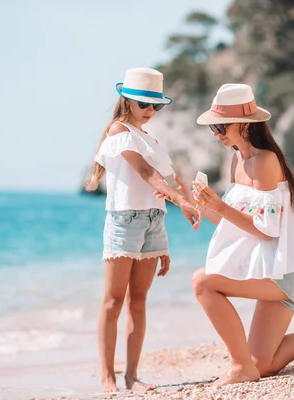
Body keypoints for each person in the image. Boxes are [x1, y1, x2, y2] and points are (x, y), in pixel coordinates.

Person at [189, 83, 294, 386]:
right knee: (263, 364)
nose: (216, 133)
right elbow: (233, 222)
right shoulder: (237, 160)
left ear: (243, 124)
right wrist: (196, 204)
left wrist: (218, 204)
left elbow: (266, 231)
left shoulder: (265, 161)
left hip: (291, 270)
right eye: (213, 127)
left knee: (202, 281)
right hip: (274, 267)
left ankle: (239, 368)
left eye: (220, 125)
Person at [86, 67, 201, 392]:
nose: (151, 111)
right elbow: (145, 172)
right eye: (145, 105)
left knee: (139, 301)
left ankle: (132, 376)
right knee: (112, 301)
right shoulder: (118, 131)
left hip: (154, 220)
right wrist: (183, 201)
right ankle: (108, 377)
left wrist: (166, 230)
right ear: (127, 100)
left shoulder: (149, 137)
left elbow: (161, 182)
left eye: (157, 106)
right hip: (124, 220)